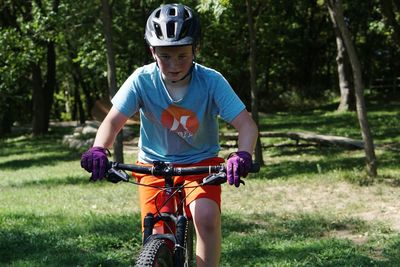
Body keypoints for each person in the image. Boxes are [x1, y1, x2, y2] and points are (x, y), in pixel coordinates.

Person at [81, 3, 258, 267]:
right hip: (154, 165)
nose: (173, 65)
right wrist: (99, 149)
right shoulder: (141, 80)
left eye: (182, 56)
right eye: (165, 56)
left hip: (200, 164)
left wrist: (242, 154)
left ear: (195, 49)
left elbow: (247, 125)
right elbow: (112, 122)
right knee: (156, 233)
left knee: (206, 217)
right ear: (152, 51)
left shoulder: (211, 81)